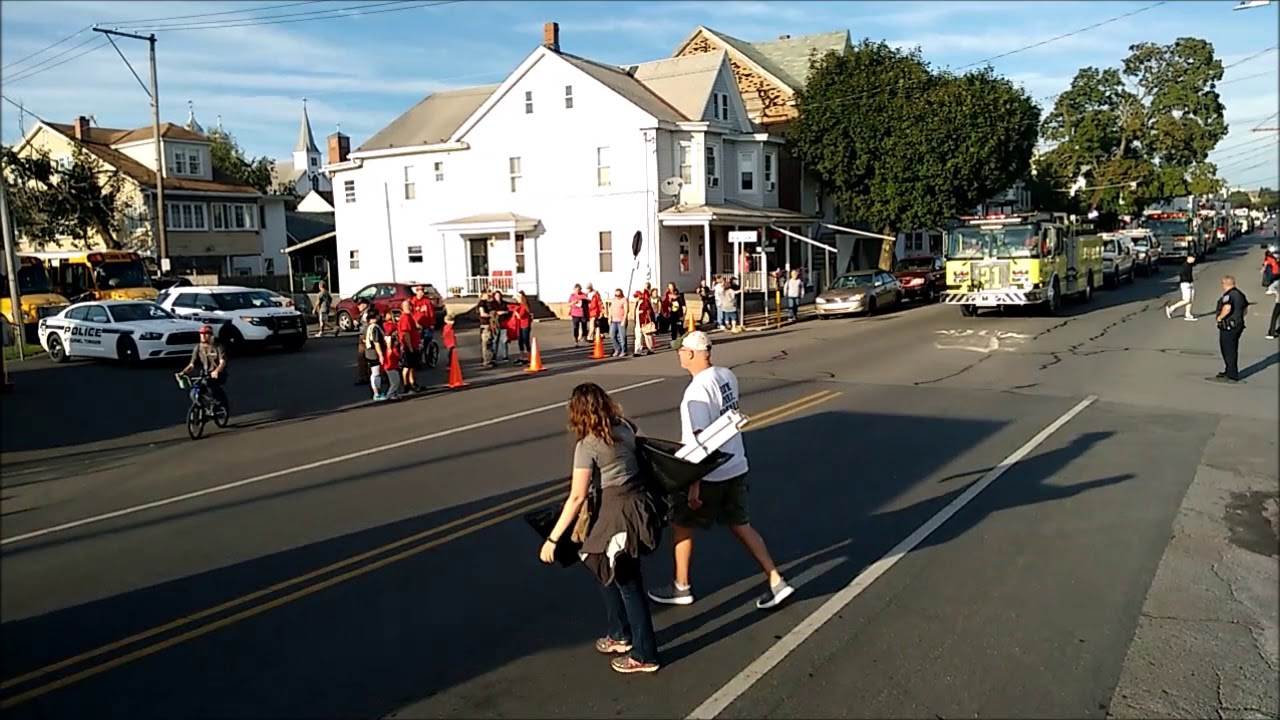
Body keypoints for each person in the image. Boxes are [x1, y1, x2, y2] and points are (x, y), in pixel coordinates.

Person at [648, 331, 794, 611]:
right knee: (741, 524)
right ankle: (776, 579)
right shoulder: (726, 375)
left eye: (681, 350)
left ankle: (681, 586)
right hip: (736, 462)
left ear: (690, 354)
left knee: (682, 523)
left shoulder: (696, 391)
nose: (678, 354)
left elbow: (703, 441)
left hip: (711, 472)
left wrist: (693, 484)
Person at [538, 383, 664, 674]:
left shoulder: (589, 445)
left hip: (618, 515)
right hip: (638, 506)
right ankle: (620, 633)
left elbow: (577, 496)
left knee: (628, 582)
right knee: (595, 560)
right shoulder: (626, 427)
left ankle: (645, 655)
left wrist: (553, 539)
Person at [177, 324, 229, 407]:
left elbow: (223, 362)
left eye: (206, 333)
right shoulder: (198, 348)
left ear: (211, 335)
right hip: (205, 374)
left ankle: (218, 401)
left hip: (219, 374)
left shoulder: (218, 346)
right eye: (201, 333)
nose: (204, 336)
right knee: (194, 392)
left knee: (209, 383)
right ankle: (201, 408)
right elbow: (191, 365)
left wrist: (216, 371)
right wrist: (183, 373)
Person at [1211, 275, 1248, 383]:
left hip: (1229, 326)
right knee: (1232, 348)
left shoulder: (1229, 295)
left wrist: (1220, 318)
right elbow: (1245, 309)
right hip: (1237, 325)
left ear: (1225, 284)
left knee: (1228, 350)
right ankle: (1229, 370)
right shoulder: (1240, 294)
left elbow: (1227, 308)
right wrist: (1239, 317)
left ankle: (1232, 374)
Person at [397, 299, 422, 392]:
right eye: (409, 306)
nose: (411, 307)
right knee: (406, 366)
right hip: (408, 346)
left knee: (412, 366)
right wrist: (410, 347)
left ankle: (412, 383)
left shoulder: (409, 316)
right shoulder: (405, 318)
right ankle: (406, 385)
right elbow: (406, 334)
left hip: (413, 345)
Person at [363, 308, 388, 400]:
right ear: (376, 316)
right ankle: (376, 393)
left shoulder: (366, 327)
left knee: (374, 373)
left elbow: (364, 339)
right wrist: (381, 355)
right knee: (376, 373)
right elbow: (376, 342)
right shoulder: (375, 328)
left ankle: (377, 392)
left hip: (368, 352)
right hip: (374, 353)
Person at [1165, 255, 1197, 321]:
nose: (1194, 259)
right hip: (1185, 284)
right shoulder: (1185, 266)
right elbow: (1182, 275)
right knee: (1186, 300)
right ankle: (1171, 308)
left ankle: (1188, 314)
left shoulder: (1190, 265)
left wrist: (1191, 282)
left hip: (1189, 283)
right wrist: (1187, 282)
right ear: (1189, 258)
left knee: (1191, 299)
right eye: (1193, 258)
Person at [354, 298, 373, 387]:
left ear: (365, 304)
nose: (358, 306)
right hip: (362, 336)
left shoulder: (369, 313)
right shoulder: (363, 313)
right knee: (361, 358)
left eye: (360, 304)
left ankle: (372, 376)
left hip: (368, 337)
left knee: (370, 357)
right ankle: (364, 376)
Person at [512, 293, 533, 364]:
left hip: (525, 325)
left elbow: (520, 316)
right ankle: (521, 357)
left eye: (517, 298)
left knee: (525, 340)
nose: (516, 300)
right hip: (520, 325)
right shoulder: (520, 305)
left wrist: (515, 312)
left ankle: (529, 357)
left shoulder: (524, 306)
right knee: (520, 341)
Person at [383, 331, 405, 399]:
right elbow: (398, 356)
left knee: (395, 381)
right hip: (391, 367)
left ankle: (395, 394)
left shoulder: (389, 349)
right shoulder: (392, 350)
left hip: (391, 367)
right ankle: (389, 394)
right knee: (395, 382)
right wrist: (401, 350)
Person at [609, 288, 628, 357]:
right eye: (616, 295)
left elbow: (626, 311)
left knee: (622, 337)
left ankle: (624, 350)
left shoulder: (624, 300)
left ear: (621, 294)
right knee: (612, 335)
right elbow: (611, 309)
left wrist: (624, 320)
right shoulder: (614, 300)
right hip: (614, 320)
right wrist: (609, 317)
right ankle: (617, 348)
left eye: (618, 295)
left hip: (621, 320)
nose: (617, 296)